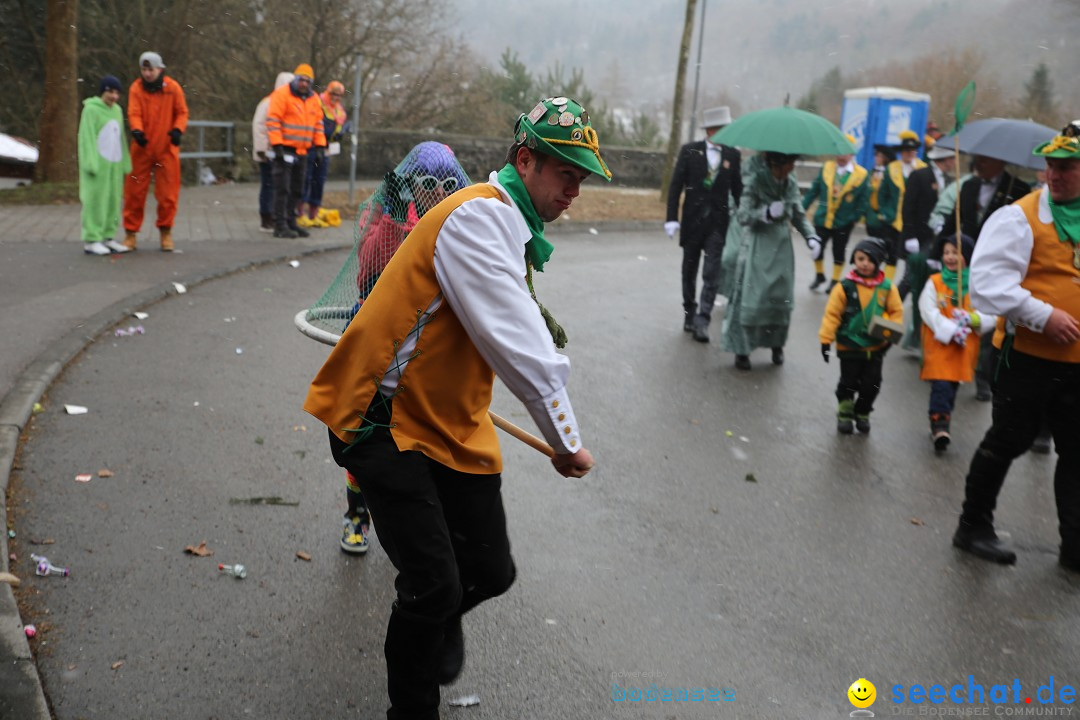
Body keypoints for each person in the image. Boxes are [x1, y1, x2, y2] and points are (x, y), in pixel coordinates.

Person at [304, 95, 606, 718]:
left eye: (581, 178)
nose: (575, 191)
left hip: (447, 421)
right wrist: (565, 442)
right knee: (434, 585)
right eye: (565, 174)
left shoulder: (510, 228)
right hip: (381, 421)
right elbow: (524, 351)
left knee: (490, 571)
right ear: (526, 161)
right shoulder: (477, 219)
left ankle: (436, 621)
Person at [951, 121, 1080, 571]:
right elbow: (986, 287)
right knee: (1009, 439)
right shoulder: (1019, 217)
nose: (1056, 174)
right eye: (1052, 165)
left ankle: (1075, 546)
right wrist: (1044, 315)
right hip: (1026, 359)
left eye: (1068, 166)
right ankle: (972, 526)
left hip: (1077, 366)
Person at [338, 141, 472, 555]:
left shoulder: (461, 220)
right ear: (413, 183)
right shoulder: (388, 212)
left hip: (426, 352)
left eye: (448, 182)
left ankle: (412, 526)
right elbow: (370, 265)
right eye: (428, 182)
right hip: (375, 342)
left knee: (417, 445)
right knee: (363, 438)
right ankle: (357, 515)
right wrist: (396, 217)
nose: (438, 190)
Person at [942, 156, 1032, 401]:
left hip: (996, 266)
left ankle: (983, 377)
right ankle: (951, 368)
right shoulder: (969, 185)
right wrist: (937, 251)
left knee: (988, 318)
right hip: (965, 259)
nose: (977, 164)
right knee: (958, 312)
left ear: (999, 162)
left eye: (984, 160)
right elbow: (954, 218)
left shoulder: (1019, 189)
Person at [721, 151, 821, 370]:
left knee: (780, 298)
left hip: (781, 245)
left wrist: (811, 236)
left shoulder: (791, 181)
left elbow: (797, 213)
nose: (793, 168)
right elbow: (743, 215)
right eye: (790, 163)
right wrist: (764, 212)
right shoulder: (756, 179)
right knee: (753, 298)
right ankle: (743, 349)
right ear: (777, 163)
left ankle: (777, 345)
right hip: (758, 243)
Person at [665, 106, 743, 342]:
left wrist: (747, 214)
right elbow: (675, 186)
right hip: (692, 222)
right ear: (710, 130)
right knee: (688, 271)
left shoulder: (732, 155)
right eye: (721, 128)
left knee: (712, 273)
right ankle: (689, 311)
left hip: (718, 224)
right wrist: (671, 218)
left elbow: (738, 190)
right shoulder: (690, 152)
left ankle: (703, 320)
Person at [918, 234, 995, 450]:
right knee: (941, 383)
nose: (950, 257)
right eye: (947, 252)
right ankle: (940, 424)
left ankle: (941, 417)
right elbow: (927, 310)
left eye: (956, 252)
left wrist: (973, 319)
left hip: (963, 349)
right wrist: (950, 329)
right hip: (940, 345)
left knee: (950, 387)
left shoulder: (977, 286)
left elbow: (991, 313)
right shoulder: (934, 282)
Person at [818, 238, 903, 434]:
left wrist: (891, 332)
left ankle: (863, 411)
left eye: (870, 260)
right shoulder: (844, 287)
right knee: (848, 381)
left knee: (871, 384)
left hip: (876, 346)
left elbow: (896, 311)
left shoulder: (887, 288)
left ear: (879, 262)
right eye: (860, 258)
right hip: (849, 345)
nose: (865, 263)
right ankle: (845, 412)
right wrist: (825, 339)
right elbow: (832, 314)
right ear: (854, 259)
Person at [122, 51, 188, 252]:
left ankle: (166, 232)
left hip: (166, 147)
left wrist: (178, 129)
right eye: (144, 69)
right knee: (134, 192)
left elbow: (182, 112)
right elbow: (134, 112)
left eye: (151, 70)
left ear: (160, 69)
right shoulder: (136, 88)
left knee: (168, 194)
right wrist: (137, 130)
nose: (148, 73)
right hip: (142, 147)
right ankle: (131, 234)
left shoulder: (173, 88)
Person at [898, 142, 956, 349]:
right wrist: (909, 235)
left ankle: (919, 332)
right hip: (919, 239)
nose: (954, 162)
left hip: (936, 241)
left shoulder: (950, 180)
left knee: (926, 286)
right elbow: (908, 207)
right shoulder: (920, 175)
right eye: (952, 159)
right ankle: (890, 313)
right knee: (910, 281)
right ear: (944, 159)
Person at [801, 135, 870, 293]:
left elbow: (863, 201)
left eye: (844, 152)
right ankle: (819, 275)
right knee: (816, 247)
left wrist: (854, 218)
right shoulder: (827, 168)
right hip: (822, 218)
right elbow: (813, 191)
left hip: (844, 221)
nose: (840, 156)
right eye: (838, 152)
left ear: (851, 154)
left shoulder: (861, 174)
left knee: (838, 250)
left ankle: (835, 280)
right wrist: (801, 209)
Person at [266, 63, 326, 238]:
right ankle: (279, 225)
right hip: (284, 150)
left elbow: (318, 125)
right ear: (295, 79)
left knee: (298, 190)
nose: (304, 84)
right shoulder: (282, 95)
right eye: (301, 79)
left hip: (302, 152)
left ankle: (291, 221)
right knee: (282, 189)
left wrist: (321, 146)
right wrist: (277, 145)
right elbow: (273, 121)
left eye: (308, 81)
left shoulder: (314, 99)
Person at [78, 75, 132, 255]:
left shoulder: (117, 110)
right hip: (98, 165)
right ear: (103, 91)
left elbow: (120, 138)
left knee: (112, 200)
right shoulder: (91, 110)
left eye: (117, 92)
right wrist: (90, 162)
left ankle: (108, 237)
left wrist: (125, 161)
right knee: (95, 200)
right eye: (110, 91)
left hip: (113, 164)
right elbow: (86, 137)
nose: (114, 96)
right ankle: (92, 239)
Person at [875, 130, 926, 280]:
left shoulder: (923, 168)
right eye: (906, 151)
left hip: (914, 223)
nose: (909, 154)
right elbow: (882, 194)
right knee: (891, 255)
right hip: (893, 221)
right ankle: (887, 285)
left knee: (911, 258)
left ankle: (906, 285)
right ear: (901, 152)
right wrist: (885, 213)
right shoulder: (892, 168)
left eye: (912, 150)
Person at [300, 80, 350, 224]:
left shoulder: (339, 111)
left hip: (326, 149)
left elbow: (336, 129)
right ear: (327, 92)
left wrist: (339, 134)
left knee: (319, 181)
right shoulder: (318, 102)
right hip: (312, 146)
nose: (336, 97)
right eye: (333, 94)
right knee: (306, 179)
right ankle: (300, 212)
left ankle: (313, 214)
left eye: (339, 95)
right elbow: (316, 124)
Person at [252, 71, 294, 232]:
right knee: (269, 185)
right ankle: (266, 217)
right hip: (269, 152)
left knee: (277, 186)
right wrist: (262, 149)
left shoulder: (277, 102)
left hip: (278, 152)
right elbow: (260, 127)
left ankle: (275, 216)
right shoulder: (269, 103)